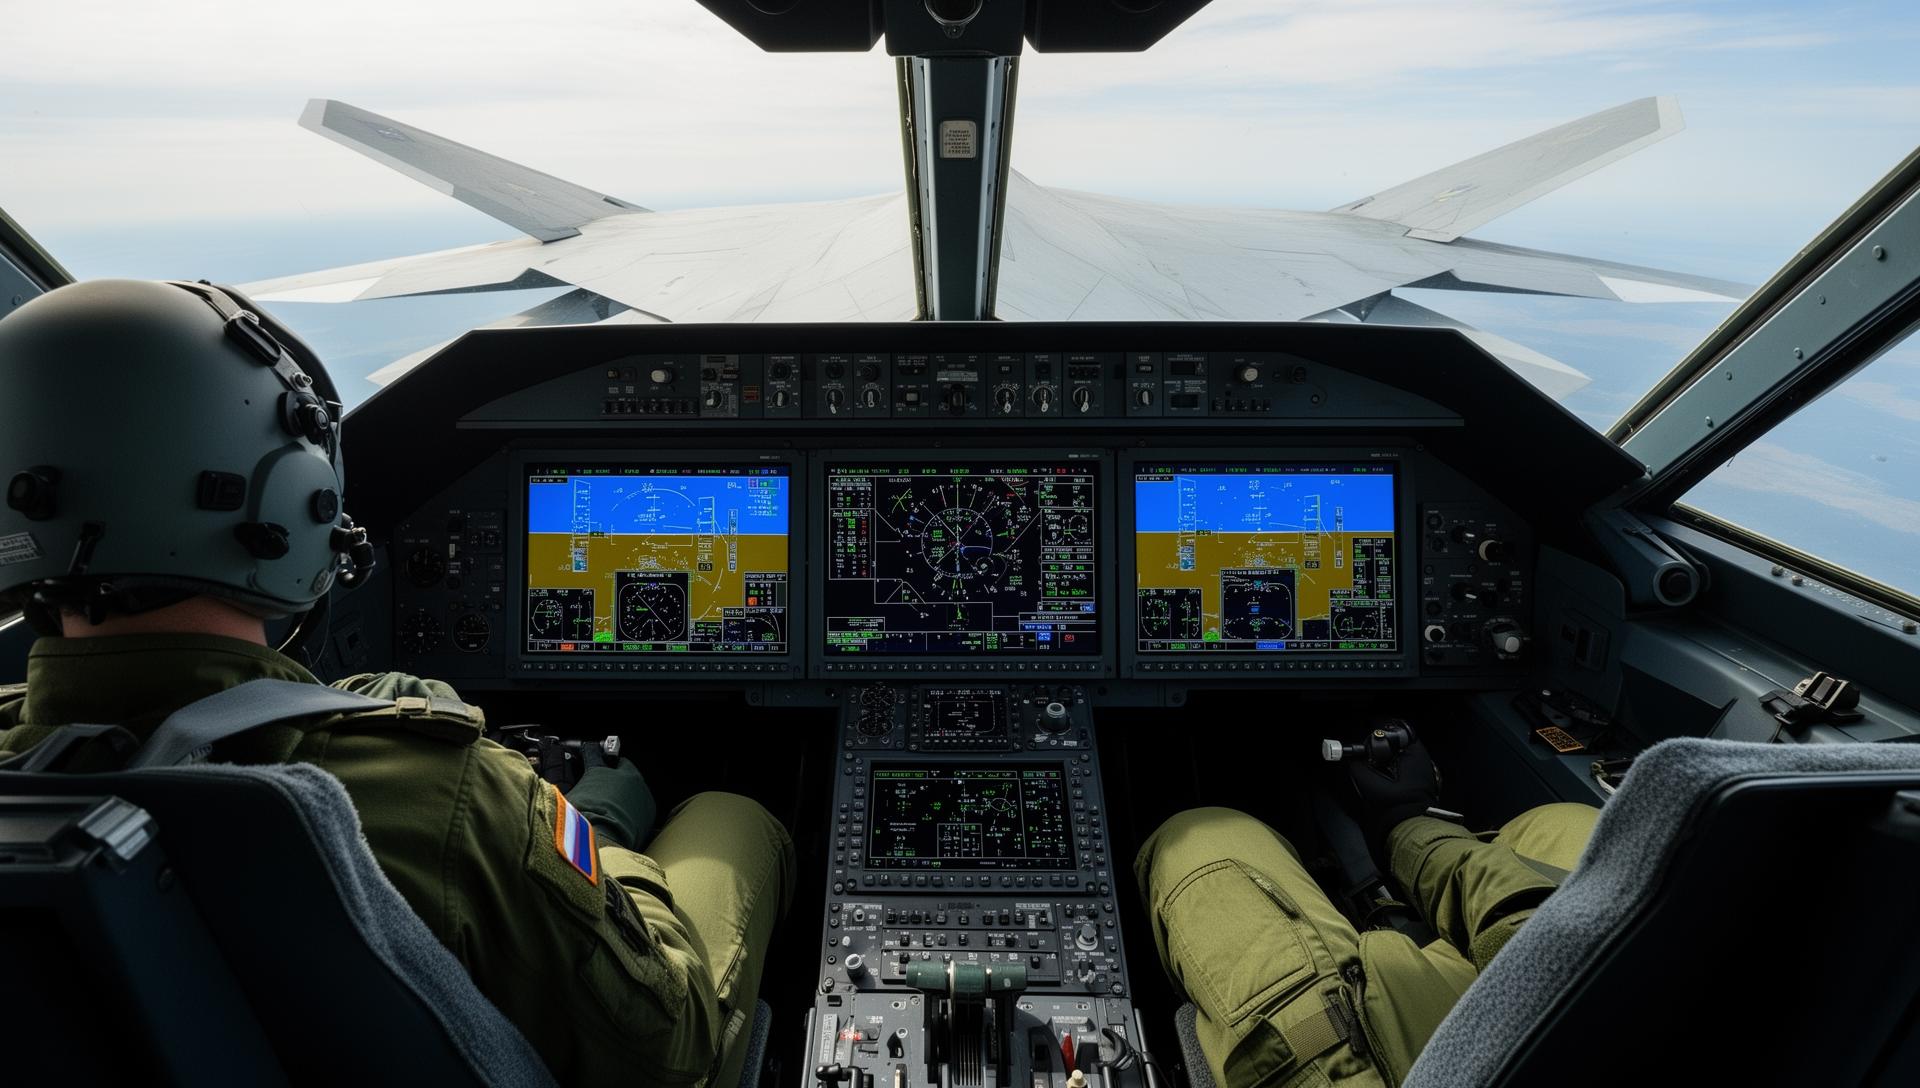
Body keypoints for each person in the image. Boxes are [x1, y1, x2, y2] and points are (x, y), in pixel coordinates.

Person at [0, 279, 792, 1087]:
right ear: (292, 499)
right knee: (733, 816)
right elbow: (668, 1043)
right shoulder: (451, 793)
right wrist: (592, 828)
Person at [1135, 734, 1598, 1087]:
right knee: (1567, 823)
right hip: (1561, 1024)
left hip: (1382, 1066)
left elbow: (1535, 948)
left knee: (1202, 836)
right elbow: (1548, 949)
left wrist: (1404, 825)